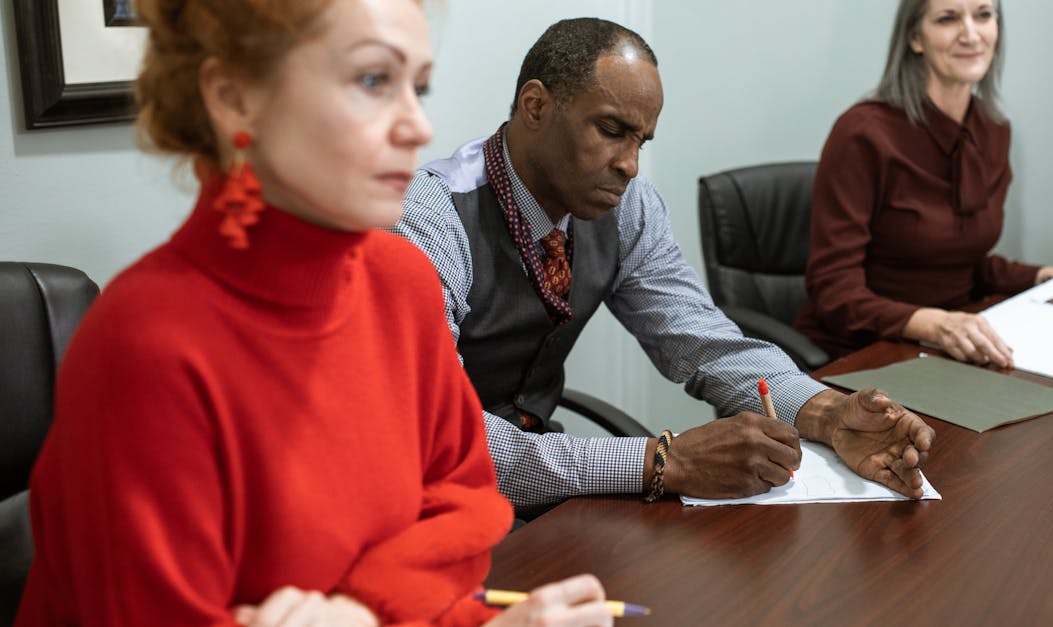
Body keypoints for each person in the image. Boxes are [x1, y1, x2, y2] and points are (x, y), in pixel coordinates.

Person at [16, 1, 611, 625]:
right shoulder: (144, 343)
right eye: (373, 80)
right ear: (235, 96)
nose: (417, 126)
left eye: (419, 87)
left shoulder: (401, 283)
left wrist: (363, 615)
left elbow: (465, 508)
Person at [396, 18, 935, 518]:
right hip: (424, 502)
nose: (629, 164)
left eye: (640, 141)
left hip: (542, 499)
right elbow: (432, 437)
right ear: (535, 106)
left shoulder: (626, 205)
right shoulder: (429, 220)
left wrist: (825, 414)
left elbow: (701, 340)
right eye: (611, 130)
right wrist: (661, 461)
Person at [793, 0, 1053, 369]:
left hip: (949, 344)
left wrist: (1051, 276)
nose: (971, 34)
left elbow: (962, 262)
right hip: (859, 352)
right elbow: (833, 291)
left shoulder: (993, 129)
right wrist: (937, 324)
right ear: (915, 37)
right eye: (948, 18)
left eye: (983, 15)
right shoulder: (863, 133)